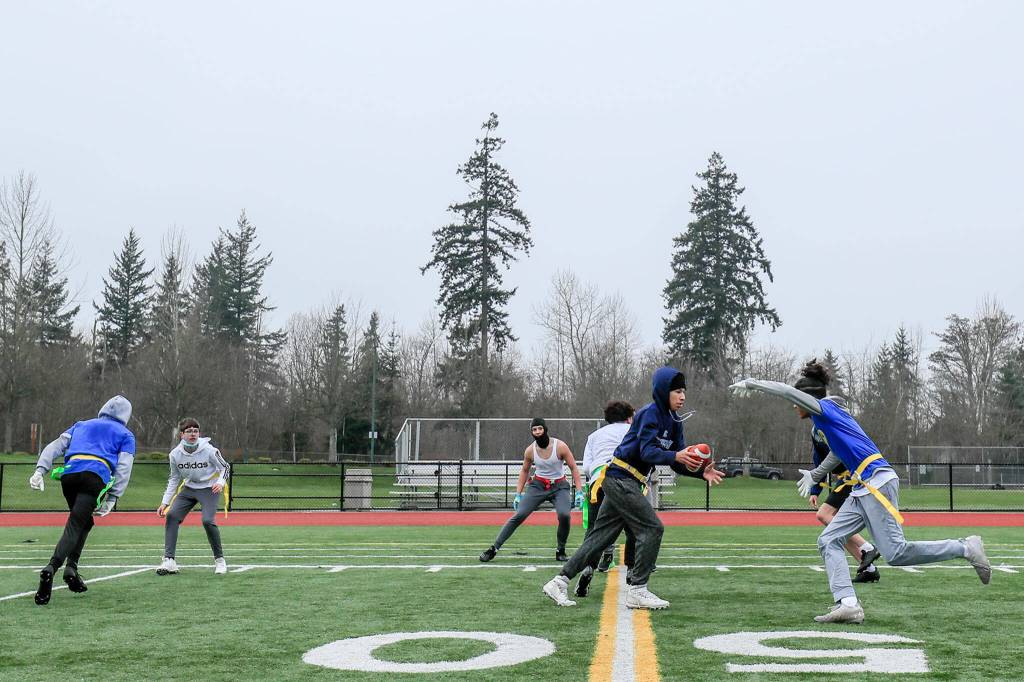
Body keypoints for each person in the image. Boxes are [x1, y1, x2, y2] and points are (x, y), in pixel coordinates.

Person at [731, 360, 991, 624]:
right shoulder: (825, 422)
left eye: (798, 401)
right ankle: (848, 604)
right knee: (828, 540)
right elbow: (836, 453)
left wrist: (754, 383)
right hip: (861, 488)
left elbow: (788, 392)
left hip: (876, 482)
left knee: (896, 553)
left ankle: (965, 547)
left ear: (808, 398)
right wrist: (816, 475)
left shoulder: (825, 410)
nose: (793, 406)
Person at [543, 367, 724, 609]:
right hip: (620, 478)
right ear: (663, 391)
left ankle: (559, 581)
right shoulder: (649, 414)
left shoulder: (675, 422)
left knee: (599, 537)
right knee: (653, 528)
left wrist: (701, 471)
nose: (683, 397)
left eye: (684, 392)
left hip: (629, 481)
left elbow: (676, 462)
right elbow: (648, 451)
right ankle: (638, 588)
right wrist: (676, 455)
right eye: (677, 391)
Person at [28, 395, 137, 605]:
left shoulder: (81, 425)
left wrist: (40, 470)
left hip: (69, 475)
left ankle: (72, 570)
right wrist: (113, 496)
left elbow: (55, 446)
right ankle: (52, 568)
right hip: (94, 476)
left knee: (83, 522)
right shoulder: (126, 434)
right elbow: (124, 466)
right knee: (76, 524)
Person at [479, 418, 583, 563]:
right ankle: (493, 549)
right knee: (519, 514)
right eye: (534, 429)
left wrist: (579, 491)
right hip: (538, 486)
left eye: (540, 428)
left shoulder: (560, 446)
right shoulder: (530, 450)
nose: (537, 432)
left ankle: (561, 550)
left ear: (545, 429)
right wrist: (518, 494)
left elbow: (573, 467)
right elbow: (524, 471)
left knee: (565, 515)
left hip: (559, 486)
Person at [806, 393, 880, 584]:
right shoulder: (818, 430)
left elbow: (838, 455)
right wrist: (815, 490)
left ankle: (867, 548)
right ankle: (868, 569)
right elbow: (819, 459)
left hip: (855, 475)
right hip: (847, 477)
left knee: (824, 515)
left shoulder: (842, 429)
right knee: (834, 525)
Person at [574, 400, 637, 598]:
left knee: (594, 531)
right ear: (628, 417)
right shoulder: (632, 431)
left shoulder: (594, 436)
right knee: (634, 528)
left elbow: (585, 467)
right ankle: (632, 572)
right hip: (625, 480)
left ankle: (588, 568)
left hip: (598, 481)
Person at [157, 418, 231, 575]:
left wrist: (220, 482)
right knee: (171, 515)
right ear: (182, 435)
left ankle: (220, 561)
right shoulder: (175, 455)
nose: (193, 434)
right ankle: (169, 560)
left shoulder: (210, 450)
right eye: (189, 431)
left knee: (207, 521)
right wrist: (165, 502)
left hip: (209, 489)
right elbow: (174, 479)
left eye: (195, 431)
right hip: (189, 488)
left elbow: (225, 467)